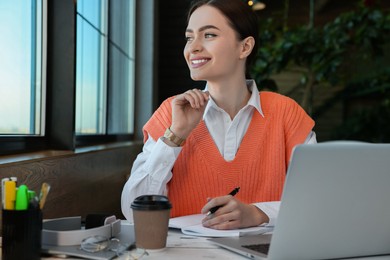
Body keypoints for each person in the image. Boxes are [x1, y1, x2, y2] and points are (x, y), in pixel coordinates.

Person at [121, 0, 316, 230]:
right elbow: (134, 212)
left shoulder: (286, 114)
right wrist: (176, 134)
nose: (192, 48)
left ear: (245, 47)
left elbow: (316, 200)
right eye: (189, 37)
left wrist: (259, 213)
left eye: (209, 35)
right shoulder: (171, 113)